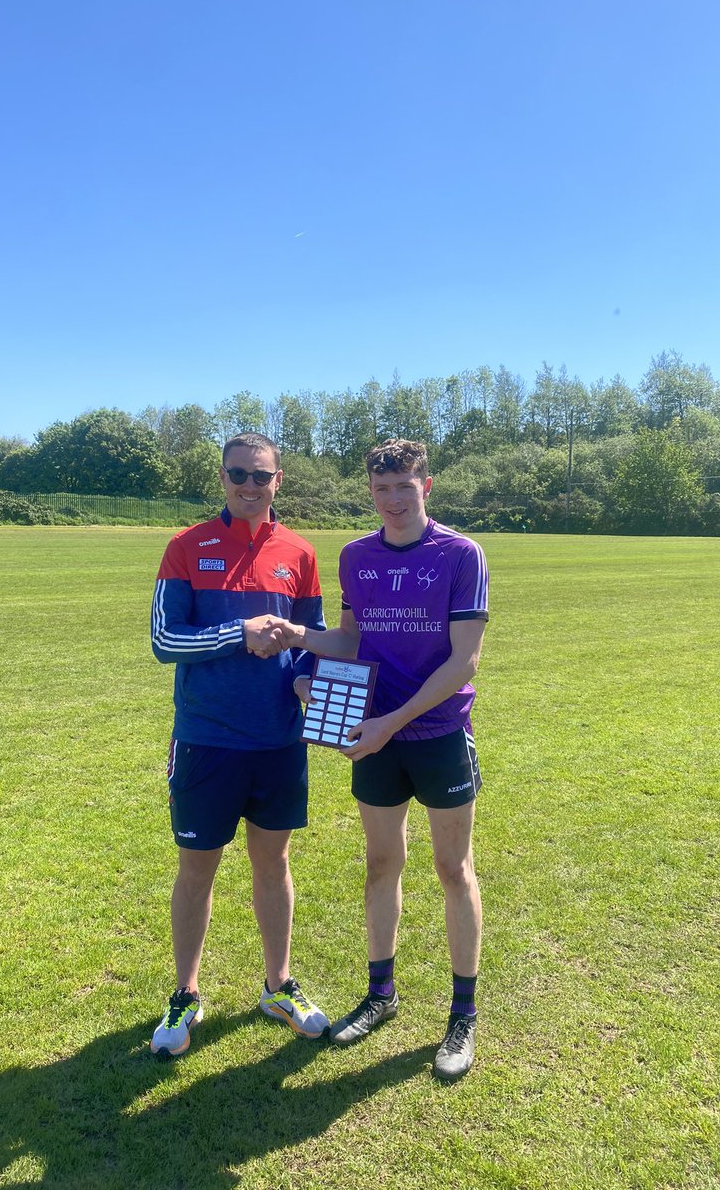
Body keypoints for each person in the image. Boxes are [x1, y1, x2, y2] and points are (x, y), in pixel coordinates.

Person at [270, 439, 488, 1080]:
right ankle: (380, 994)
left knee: (453, 868)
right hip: (374, 736)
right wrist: (300, 646)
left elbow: (463, 661)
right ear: (370, 491)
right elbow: (351, 639)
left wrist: (392, 722)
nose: (392, 500)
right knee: (380, 864)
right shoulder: (356, 556)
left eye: (404, 487)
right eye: (381, 489)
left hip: (438, 732)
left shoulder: (460, 555)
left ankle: (462, 1013)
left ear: (426, 486)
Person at [148, 432, 330, 1059]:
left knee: (273, 863)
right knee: (197, 868)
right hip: (207, 736)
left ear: (279, 480)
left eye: (261, 476)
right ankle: (185, 992)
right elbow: (164, 640)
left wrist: (308, 679)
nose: (248, 486)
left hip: (278, 738)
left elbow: (313, 637)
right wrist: (238, 632)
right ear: (221, 478)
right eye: (237, 475)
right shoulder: (185, 546)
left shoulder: (299, 552)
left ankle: (278, 986)